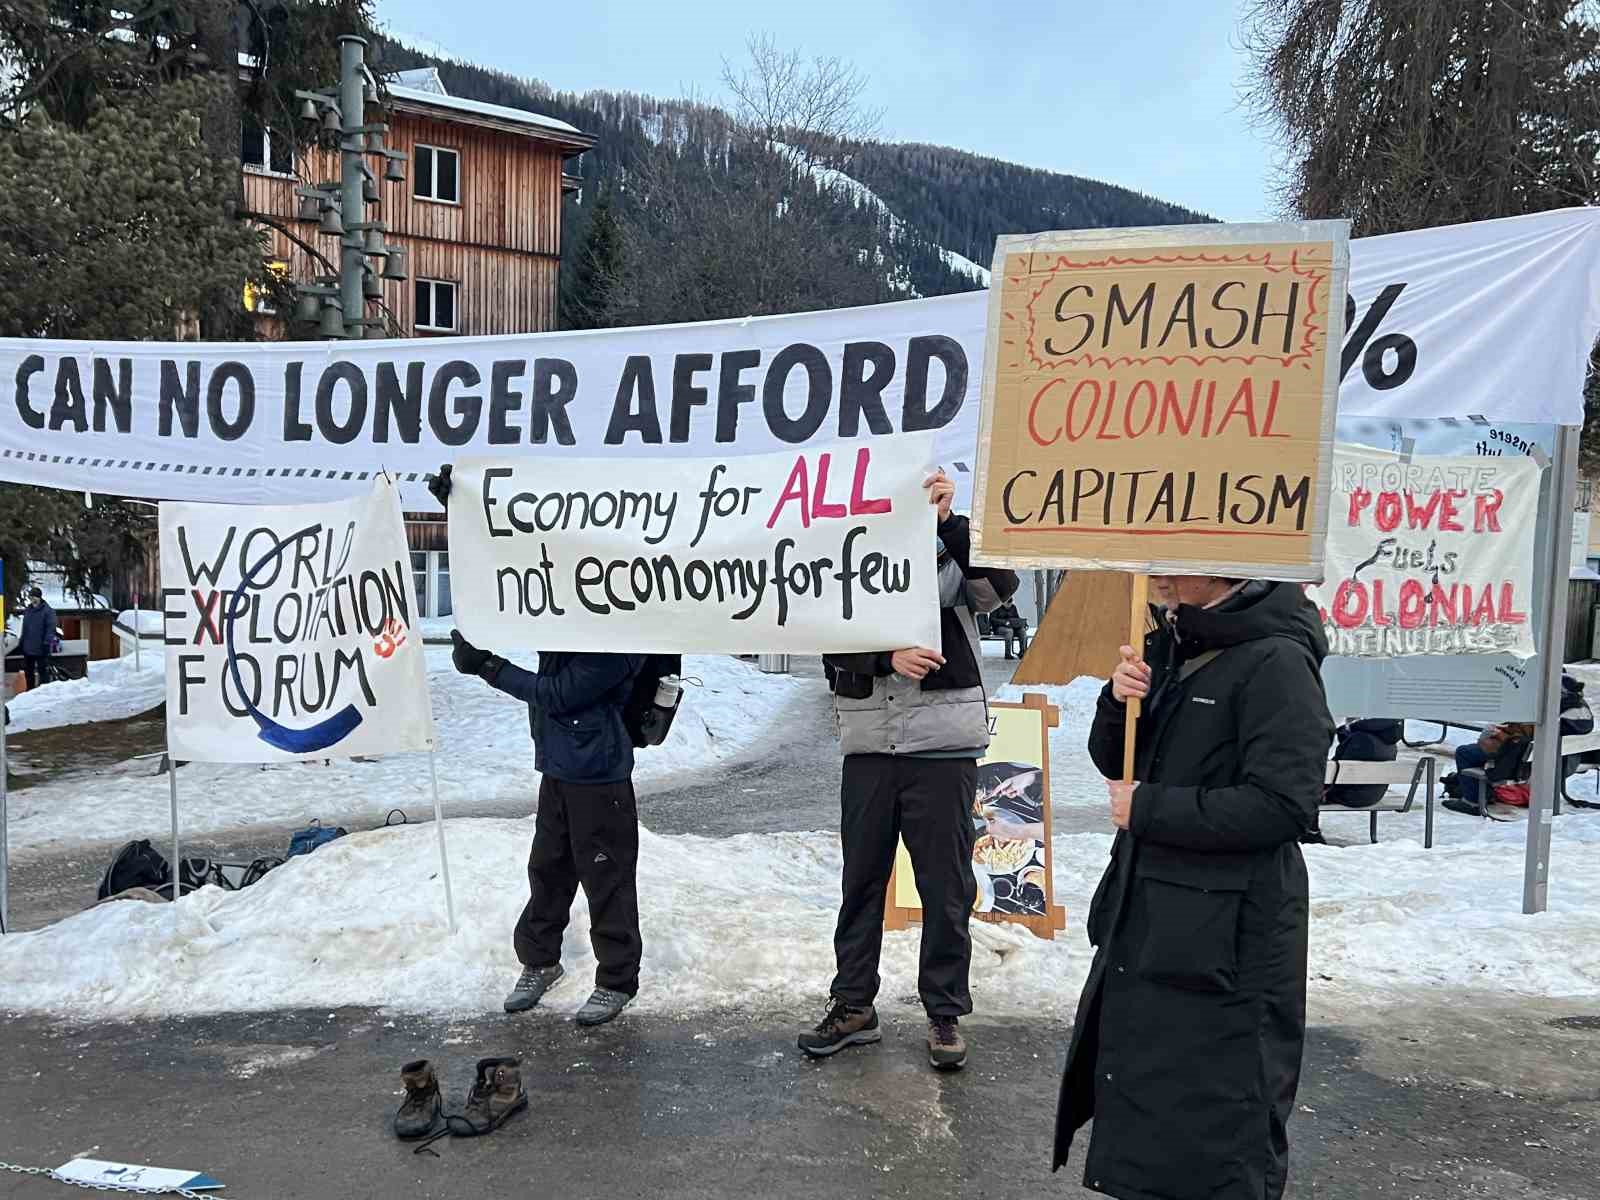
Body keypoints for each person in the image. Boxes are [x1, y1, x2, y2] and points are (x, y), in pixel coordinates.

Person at [1054, 575, 1334, 1200]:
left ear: (1221, 564)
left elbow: (1285, 806)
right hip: (1157, 922)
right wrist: (1118, 701)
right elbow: (1116, 758)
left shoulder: (1276, 661)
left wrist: (1152, 809)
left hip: (1228, 943)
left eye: (1171, 556)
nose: (1152, 570)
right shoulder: (1170, 646)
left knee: (1218, 1127)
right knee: (1152, 1110)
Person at [801, 469, 1018, 1071]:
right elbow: (820, 629)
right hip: (870, 744)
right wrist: (883, 657)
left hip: (943, 745)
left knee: (945, 886)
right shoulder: (839, 549)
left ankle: (944, 1011)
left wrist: (949, 523)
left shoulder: (946, 544)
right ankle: (853, 1006)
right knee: (861, 881)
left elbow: (999, 586)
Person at [430, 465, 645, 1028]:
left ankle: (617, 979)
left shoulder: (621, 627)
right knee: (548, 869)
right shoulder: (568, 609)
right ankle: (539, 961)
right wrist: (466, 515)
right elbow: (514, 558)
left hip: (599, 774)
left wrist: (489, 668)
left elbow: (560, 692)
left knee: (607, 876)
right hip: (558, 767)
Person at [1444, 722, 1533, 815]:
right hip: (1512, 759)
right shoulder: (1537, 722)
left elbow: (1513, 738)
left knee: (1463, 752)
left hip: (1506, 755)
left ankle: (1471, 801)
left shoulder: (1523, 721)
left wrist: (1498, 733)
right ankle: (1480, 792)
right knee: (1472, 752)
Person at [19, 586, 57, 690]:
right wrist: (22, 642)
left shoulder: (48, 611)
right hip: (28, 648)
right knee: (28, 673)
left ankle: (44, 693)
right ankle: (30, 692)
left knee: (43, 672)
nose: (33, 600)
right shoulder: (28, 610)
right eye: (31, 597)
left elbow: (51, 628)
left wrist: (46, 643)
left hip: (41, 648)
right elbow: (25, 627)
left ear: (40, 598)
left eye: (35, 597)